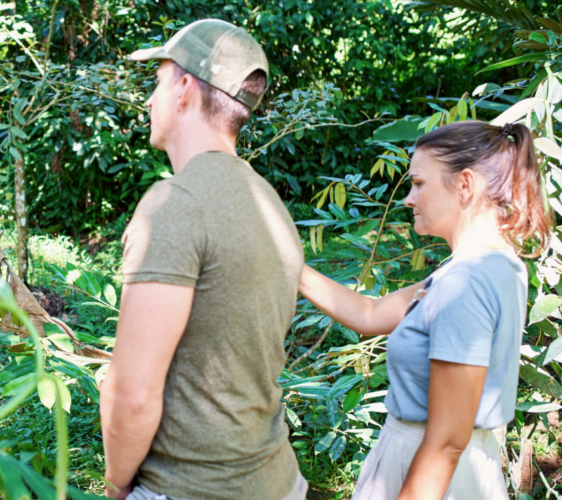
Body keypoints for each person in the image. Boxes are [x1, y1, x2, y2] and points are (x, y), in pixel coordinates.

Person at [100, 19, 308, 500]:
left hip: (191, 488)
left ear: (185, 90)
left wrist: (115, 489)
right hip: (278, 481)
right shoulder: (267, 199)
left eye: (157, 82)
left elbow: (132, 394)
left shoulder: (175, 203)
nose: (150, 100)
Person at [298, 120, 552, 500]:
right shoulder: (492, 265)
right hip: (457, 467)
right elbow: (370, 313)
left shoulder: (466, 283)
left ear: (465, 185)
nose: (408, 199)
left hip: (430, 471)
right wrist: (288, 264)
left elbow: (447, 439)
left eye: (419, 183)